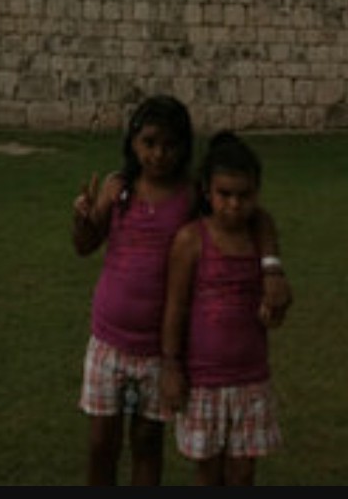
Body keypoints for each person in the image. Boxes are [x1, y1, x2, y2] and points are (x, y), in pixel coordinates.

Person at [72, 97, 291, 486]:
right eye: (149, 142)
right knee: (102, 441)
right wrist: (83, 219)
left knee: (147, 440)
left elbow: (254, 217)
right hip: (109, 339)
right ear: (132, 142)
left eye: (169, 145)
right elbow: (85, 245)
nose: (158, 154)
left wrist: (272, 268)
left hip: (158, 348)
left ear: (184, 147)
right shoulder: (118, 188)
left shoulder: (192, 197)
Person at [160, 130, 288, 486]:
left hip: (250, 375)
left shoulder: (259, 236)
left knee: (243, 472)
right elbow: (175, 307)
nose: (234, 205)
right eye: (224, 194)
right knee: (208, 471)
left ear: (257, 193)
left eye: (244, 195)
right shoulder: (191, 240)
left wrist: (273, 304)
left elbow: (275, 297)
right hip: (204, 379)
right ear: (206, 191)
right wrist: (170, 366)